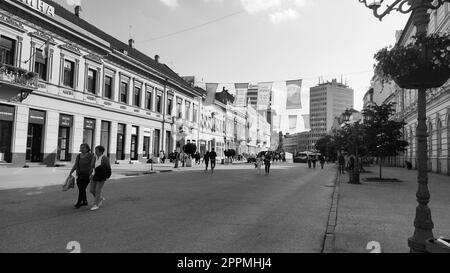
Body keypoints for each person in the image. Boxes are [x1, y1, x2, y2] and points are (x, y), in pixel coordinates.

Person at [69, 144, 95, 209]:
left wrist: (92, 172)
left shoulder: (91, 155)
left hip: (87, 175)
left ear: (87, 149)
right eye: (81, 147)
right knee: (81, 189)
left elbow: (93, 165)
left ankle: (79, 203)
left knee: (82, 188)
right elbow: (75, 165)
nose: (81, 148)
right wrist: (71, 172)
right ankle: (85, 201)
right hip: (79, 174)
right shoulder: (78, 156)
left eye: (83, 147)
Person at [89, 146, 111, 211]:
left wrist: (106, 176)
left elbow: (108, 168)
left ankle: (95, 205)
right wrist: (91, 174)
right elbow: (92, 166)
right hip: (94, 175)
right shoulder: (95, 157)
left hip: (101, 176)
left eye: (96, 150)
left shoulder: (105, 158)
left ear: (100, 151)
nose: (95, 151)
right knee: (91, 190)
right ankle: (100, 198)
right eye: (95, 150)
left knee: (97, 190)